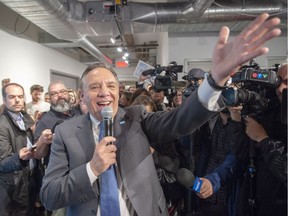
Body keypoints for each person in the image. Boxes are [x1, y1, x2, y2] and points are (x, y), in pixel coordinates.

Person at [39, 13, 281, 216]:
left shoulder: (136, 118)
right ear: (81, 96)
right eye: (94, 87)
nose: (105, 93)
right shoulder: (66, 132)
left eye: (111, 86)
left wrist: (215, 80)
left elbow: (181, 120)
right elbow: (49, 196)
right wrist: (92, 168)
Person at [229, 63, 287, 216]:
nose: (281, 89)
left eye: (287, 82)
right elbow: (241, 153)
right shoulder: (268, 111)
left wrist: (263, 139)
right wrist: (236, 119)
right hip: (253, 201)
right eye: (278, 82)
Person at [0, 83, 50, 216]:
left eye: (20, 96)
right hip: (14, 186)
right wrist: (19, 157)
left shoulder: (26, 117)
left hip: (31, 177)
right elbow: (2, 162)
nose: (17, 100)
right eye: (12, 97)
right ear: (4, 100)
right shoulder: (2, 125)